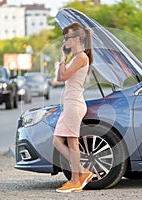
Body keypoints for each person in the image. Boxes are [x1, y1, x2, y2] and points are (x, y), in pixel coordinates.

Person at [52, 22, 94, 193]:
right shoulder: (75, 57)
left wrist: (63, 61)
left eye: (67, 37)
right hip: (70, 104)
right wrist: (64, 59)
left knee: (72, 142)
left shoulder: (82, 57)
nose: (65, 41)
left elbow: (64, 77)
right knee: (57, 141)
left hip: (74, 104)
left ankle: (76, 180)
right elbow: (59, 76)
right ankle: (82, 172)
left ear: (76, 39)